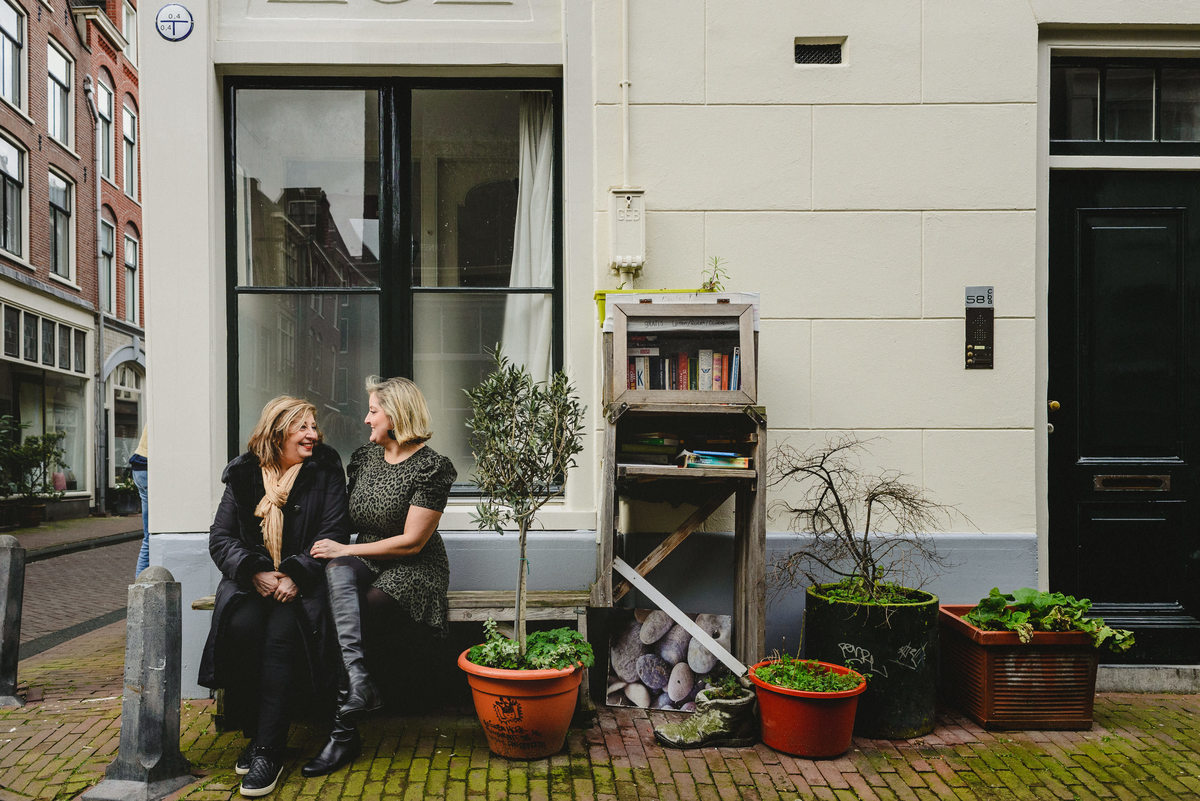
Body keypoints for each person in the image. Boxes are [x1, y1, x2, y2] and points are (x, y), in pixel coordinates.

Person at [303, 376, 456, 778]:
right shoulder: (364, 458)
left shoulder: (432, 467)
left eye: (373, 410)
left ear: (396, 415)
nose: (366, 418)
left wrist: (346, 549)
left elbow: (411, 543)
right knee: (336, 574)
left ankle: (343, 734)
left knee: (358, 605)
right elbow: (339, 513)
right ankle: (359, 683)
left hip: (414, 566)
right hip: (368, 553)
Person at [198, 396, 351, 798]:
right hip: (254, 583)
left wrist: (296, 576)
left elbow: (334, 532)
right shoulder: (245, 474)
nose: (313, 435)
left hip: (302, 588)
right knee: (244, 627)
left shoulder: (325, 469)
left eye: (314, 427)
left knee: (283, 637)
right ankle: (257, 732)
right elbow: (221, 538)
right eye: (303, 427)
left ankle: (269, 750)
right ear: (278, 430)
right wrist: (256, 571)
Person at [130, 426, 150, 577]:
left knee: (148, 537)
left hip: (139, 466)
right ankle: (140, 589)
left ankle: (139, 587)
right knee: (150, 537)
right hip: (148, 466)